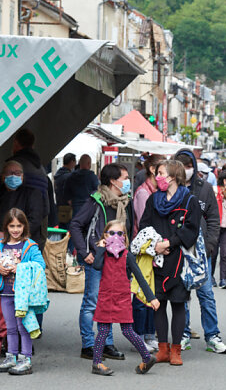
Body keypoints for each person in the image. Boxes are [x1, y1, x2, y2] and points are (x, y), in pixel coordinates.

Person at [68, 163, 133, 361]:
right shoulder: (96, 201)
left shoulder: (124, 202)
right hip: (97, 259)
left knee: (110, 303)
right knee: (92, 302)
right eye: (124, 177)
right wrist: (85, 251)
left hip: (117, 261)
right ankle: (88, 345)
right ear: (113, 181)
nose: (128, 181)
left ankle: (106, 344)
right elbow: (76, 224)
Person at [144, 160, 201, 366]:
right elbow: (144, 225)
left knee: (178, 305)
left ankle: (176, 350)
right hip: (157, 259)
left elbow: (192, 230)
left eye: (161, 173)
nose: (157, 176)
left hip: (179, 259)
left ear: (174, 176)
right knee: (158, 305)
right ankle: (162, 349)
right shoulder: (153, 199)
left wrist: (170, 242)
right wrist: (155, 245)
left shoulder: (189, 200)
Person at [87, 219, 160, 376]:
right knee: (103, 330)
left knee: (127, 330)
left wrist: (151, 297)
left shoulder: (128, 256)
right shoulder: (103, 254)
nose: (116, 236)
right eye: (112, 233)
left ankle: (147, 358)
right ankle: (97, 363)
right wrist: (100, 248)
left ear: (125, 237)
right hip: (106, 297)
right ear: (105, 235)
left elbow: (140, 277)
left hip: (122, 298)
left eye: (120, 233)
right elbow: (97, 266)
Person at [174, 149, 226, 354]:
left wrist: (209, 246)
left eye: (189, 166)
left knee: (206, 294)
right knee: (182, 295)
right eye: (183, 166)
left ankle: (212, 336)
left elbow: (214, 218)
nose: (186, 171)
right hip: (179, 250)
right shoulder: (173, 188)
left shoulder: (204, 188)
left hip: (201, 251)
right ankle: (183, 334)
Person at [0, 209, 46, 375]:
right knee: (10, 327)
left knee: (24, 327)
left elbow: (40, 265)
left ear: (24, 226)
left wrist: (20, 267)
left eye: (19, 226)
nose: (15, 229)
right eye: (12, 226)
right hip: (5, 292)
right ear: (6, 227)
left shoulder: (30, 246)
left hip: (23, 296)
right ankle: (11, 357)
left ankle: (25, 359)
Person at [7, 128, 53, 244]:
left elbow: (3, 204)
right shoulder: (40, 168)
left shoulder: (13, 166)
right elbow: (45, 206)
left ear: (16, 143)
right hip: (38, 230)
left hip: (16, 231)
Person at [0, 160, 48, 247]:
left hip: (23, 247)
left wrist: (8, 236)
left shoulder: (32, 194)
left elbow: (34, 221)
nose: (13, 176)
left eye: (17, 173)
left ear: (22, 176)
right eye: (10, 172)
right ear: (3, 176)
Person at [133, 154, 164, 231]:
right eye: (162, 171)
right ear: (153, 169)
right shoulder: (143, 193)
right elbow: (143, 223)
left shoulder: (158, 190)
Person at [54, 153, 76, 227]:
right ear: (71, 162)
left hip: (59, 207)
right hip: (68, 208)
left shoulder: (58, 174)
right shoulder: (69, 176)